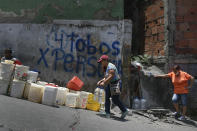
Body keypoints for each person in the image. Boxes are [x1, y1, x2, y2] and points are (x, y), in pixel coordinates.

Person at [97, 55, 128, 119]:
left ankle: (124, 110)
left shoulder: (111, 66)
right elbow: (106, 77)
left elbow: (111, 76)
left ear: (105, 61)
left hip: (115, 84)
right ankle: (107, 113)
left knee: (115, 99)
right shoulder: (105, 67)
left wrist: (104, 82)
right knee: (107, 98)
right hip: (110, 84)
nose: (101, 63)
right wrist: (101, 81)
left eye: (101, 62)